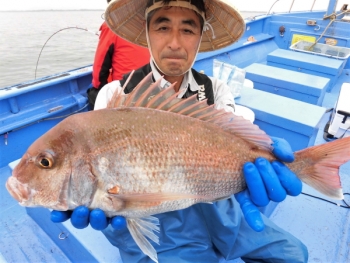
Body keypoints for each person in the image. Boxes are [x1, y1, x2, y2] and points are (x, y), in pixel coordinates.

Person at [52, 0, 308, 262]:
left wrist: (264, 151)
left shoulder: (215, 89)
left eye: (187, 30)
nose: (175, 43)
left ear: (200, 36)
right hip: (156, 219)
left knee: (294, 255)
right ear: (147, 32)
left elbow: (234, 136)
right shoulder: (115, 94)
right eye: (163, 28)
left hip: (217, 202)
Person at [87, 0, 150, 109]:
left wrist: (100, 89)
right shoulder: (148, 23)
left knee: (93, 92)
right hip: (151, 87)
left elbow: (100, 67)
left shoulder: (110, 26)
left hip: (125, 89)